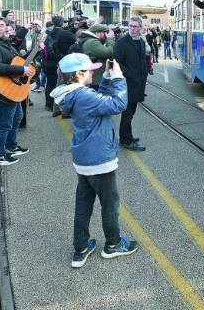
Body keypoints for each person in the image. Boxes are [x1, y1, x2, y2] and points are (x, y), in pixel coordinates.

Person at [50, 53, 138, 267]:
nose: (93, 72)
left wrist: (107, 80)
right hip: (99, 158)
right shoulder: (83, 96)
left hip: (85, 157)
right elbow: (117, 104)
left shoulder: (73, 94)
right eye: (90, 70)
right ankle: (113, 244)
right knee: (109, 203)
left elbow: (102, 103)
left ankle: (81, 246)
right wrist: (118, 79)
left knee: (83, 203)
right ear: (79, 74)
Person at [0, 17, 32, 167]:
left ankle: (11, 146)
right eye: (2, 25)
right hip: (2, 90)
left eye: (5, 25)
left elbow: (15, 61)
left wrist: (34, 54)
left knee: (17, 117)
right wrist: (21, 70)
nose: (6, 27)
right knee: (4, 123)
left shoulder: (4, 44)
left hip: (10, 87)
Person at [113, 17, 148, 152]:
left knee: (131, 112)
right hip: (127, 83)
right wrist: (128, 75)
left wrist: (144, 75)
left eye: (135, 26)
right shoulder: (122, 42)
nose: (132, 29)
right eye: (131, 26)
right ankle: (126, 140)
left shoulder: (141, 41)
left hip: (138, 83)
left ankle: (127, 136)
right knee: (127, 113)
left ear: (140, 28)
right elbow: (116, 62)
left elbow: (142, 60)